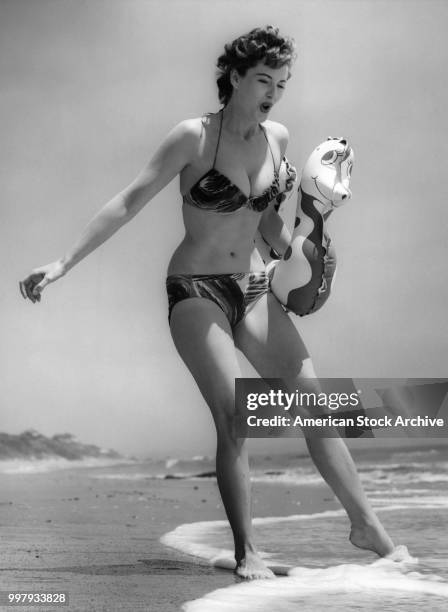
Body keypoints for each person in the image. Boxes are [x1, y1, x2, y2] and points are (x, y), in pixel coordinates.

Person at [20, 26, 397, 579]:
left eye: (282, 83)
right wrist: (63, 263)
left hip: (252, 288)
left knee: (317, 405)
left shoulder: (279, 139)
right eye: (264, 79)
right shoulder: (193, 137)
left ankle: (371, 531)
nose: (273, 92)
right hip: (197, 290)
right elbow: (128, 201)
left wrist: (306, 246)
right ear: (236, 77)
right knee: (235, 417)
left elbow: (268, 226)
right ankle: (249, 552)